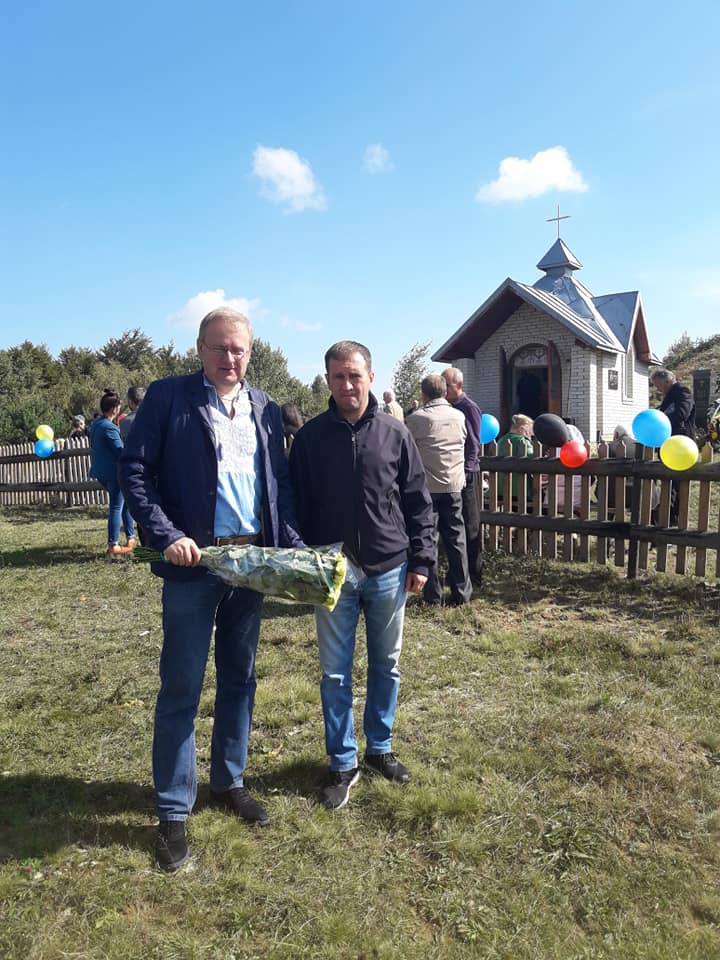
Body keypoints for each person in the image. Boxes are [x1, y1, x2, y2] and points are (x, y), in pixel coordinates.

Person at [118, 306, 303, 873]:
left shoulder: (265, 406)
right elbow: (135, 471)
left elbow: (278, 485)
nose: (229, 357)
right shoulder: (168, 398)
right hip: (193, 564)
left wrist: (292, 547)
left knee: (240, 678)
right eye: (219, 347)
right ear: (199, 349)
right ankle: (173, 810)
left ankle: (228, 780)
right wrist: (167, 534)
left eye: (238, 349)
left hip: (250, 564)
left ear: (251, 352)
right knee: (182, 685)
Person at [289, 340, 434, 810]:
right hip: (333, 571)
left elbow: (418, 501)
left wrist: (422, 559)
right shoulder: (310, 439)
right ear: (327, 381)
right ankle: (342, 761)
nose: (347, 385)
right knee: (334, 672)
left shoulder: (396, 433)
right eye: (338, 377)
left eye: (355, 376)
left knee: (386, 664)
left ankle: (380, 748)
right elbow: (294, 503)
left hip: (389, 567)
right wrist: (304, 557)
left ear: (371, 377)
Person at [406, 374, 472, 607]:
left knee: (429, 540)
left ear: (424, 394)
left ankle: (432, 596)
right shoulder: (459, 416)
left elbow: (408, 450)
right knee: (457, 540)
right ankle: (462, 594)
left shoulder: (416, 419)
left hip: (428, 488)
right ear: (445, 392)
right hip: (454, 485)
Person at [441, 367, 483, 585]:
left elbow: (473, 443)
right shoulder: (446, 408)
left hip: (467, 473)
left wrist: (466, 470)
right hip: (451, 473)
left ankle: (474, 575)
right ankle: (457, 573)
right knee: (454, 526)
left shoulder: (469, 407)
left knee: (470, 524)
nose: (443, 389)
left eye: (446, 385)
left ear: (459, 385)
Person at [89, 389, 136, 558]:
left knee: (125, 504)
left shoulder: (96, 424)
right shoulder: (109, 428)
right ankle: (113, 545)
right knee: (116, 507)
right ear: (115, 408)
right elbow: (120, 451)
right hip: (114, 474)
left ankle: (131, 537)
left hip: (101, 472)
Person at [650, 369, 697, 524]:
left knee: (676, 483)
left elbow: (681, 414)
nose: (658, 389)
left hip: (680, 447)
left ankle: (674, 517)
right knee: (669, 483)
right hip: (668, 446)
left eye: (658, 385)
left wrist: (661, 420)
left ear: (668, 381)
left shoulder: (683, 392)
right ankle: (667, 516)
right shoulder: (669, 397)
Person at [496, 414, 534, 504]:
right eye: (530, 430)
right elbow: (533, 460)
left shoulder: (501, 441)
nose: (532, 434)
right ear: (522, 429)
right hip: (521, 489)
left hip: (501, 488)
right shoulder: (524, 441)